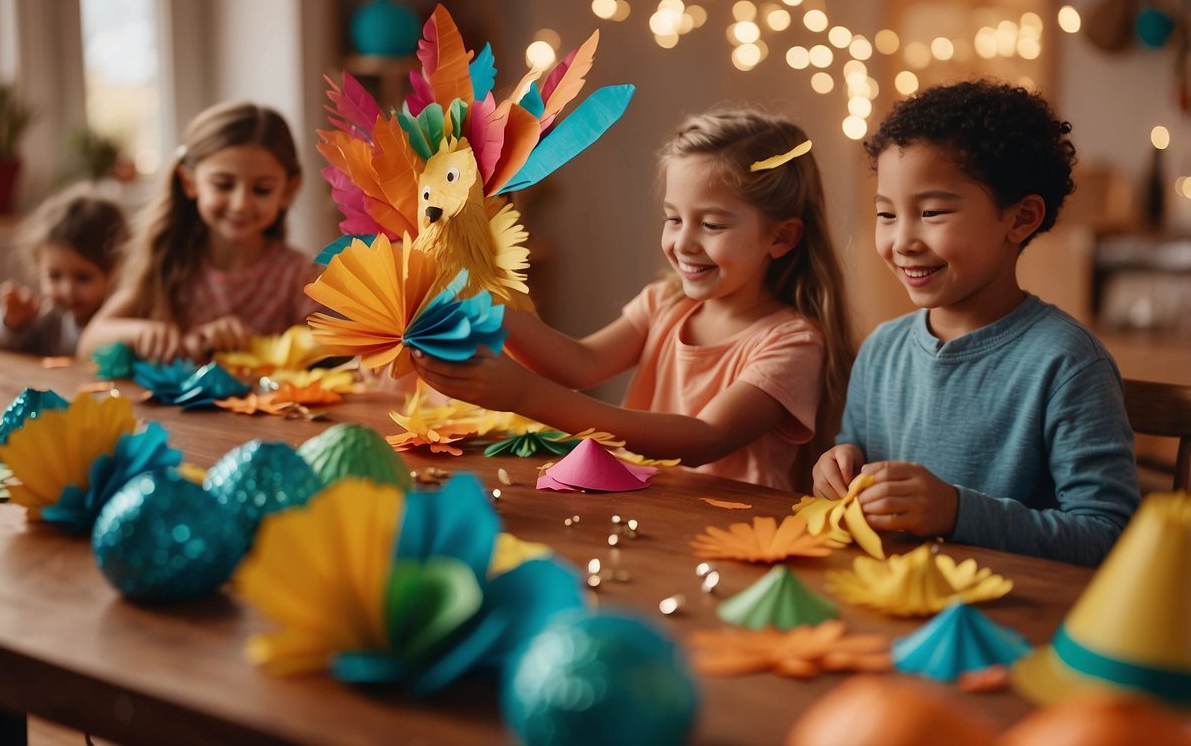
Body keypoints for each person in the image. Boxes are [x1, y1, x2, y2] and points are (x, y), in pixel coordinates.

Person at [414, 107, 855, 491]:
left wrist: (525, 395)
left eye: (713, 225)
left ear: (781, 237)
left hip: (735, 535)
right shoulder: (664, 302)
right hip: (648, 511)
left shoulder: (794, 343)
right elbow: (581, 363)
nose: (684, 243)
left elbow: (705, 438)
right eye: (673, 218)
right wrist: (484, 306)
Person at [812, 79, 1139, 567]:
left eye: (932, 212)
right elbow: (853, 451)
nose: (902, 240)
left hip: (1011, 620)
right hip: (885, 600)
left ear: (1021, 218)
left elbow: (1107, 538)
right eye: (886, 213)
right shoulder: (881, 350)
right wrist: (836, 466)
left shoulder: (1066, 364)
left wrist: (958, 512)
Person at [78, 101, 319, 362]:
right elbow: (88, 344)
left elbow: (328, 351)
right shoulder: (169, 262)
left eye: (261, 190)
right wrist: (143, 332)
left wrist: (255, 345)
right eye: (223, 185)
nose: (240, 204)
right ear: (189, 182)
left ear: (288, 190)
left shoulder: (296, 273)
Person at [0, 188, 127, 356]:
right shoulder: (48, 318)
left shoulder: (123, 321)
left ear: (115, 270)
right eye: (54, 276)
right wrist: (11, 323)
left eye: (83, 278)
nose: (67, 290)